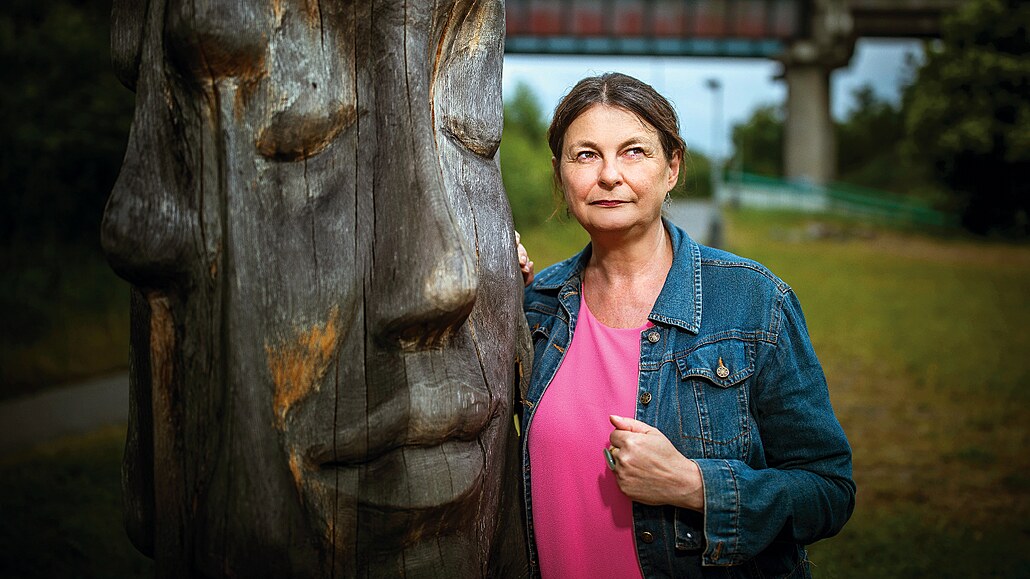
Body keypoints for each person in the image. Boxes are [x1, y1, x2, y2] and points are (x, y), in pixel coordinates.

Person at [518, 73, 855, 578]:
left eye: (634, 151)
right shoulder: (537, 304)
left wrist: (694, 484)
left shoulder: (754, 301)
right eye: (586, 155)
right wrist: (492, 293)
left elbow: (829, 490)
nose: (609, 175)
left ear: (671, 167)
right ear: (560, 173)